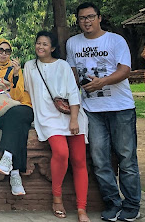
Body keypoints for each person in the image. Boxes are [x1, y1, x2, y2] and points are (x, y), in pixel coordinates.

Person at [66, 2, 140, 222]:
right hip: (91, 110)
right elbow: (72, 74)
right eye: (82, 18)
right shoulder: (73, 43)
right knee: (100, 160)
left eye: (90, 17)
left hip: (121, 108)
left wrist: (102, 82)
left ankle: (132, 204)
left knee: (127, 158)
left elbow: (124, 70)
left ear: (99, 18)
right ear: (77, 21)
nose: (86, 22)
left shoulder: (115, 40)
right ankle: (112, 202)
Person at [24, 31, 89, 222]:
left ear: (52, 48)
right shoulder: (30, 66)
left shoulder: (63, 65)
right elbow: (25, 91)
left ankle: (81, 208)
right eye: (38, 43)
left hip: (71, 116)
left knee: (79, 160)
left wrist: (74, 119)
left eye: (45, 44)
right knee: (61, 153)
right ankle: (57, 197)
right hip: (47, 118)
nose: (40, 47)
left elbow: (73, 93)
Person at [0, 38, 34, 196]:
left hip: (20, 107)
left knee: (20, 114)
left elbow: (18, 96)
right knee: (20, 125)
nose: (4, 54)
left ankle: (8, 156)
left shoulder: (15, 67)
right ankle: (15, 173)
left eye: (7, 51)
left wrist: (16, 75)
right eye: (0, 50)